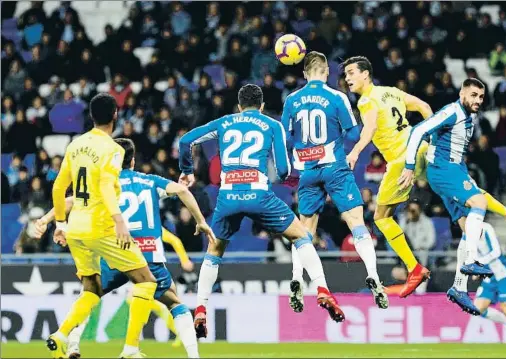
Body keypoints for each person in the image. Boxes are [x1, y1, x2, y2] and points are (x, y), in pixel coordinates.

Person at [179, 84, 345, 338]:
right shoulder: (271, 124)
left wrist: (188, 170)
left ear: (238, 105)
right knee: (301, 236)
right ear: (262, 106)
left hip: (228, 196)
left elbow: (186, 140)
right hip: (258, 194)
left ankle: (201, 307)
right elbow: (282, 170)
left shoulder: (225, 122)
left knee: (214, 251)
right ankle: (322, 288)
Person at [37, 138, 214, 358]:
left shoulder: (104, 184)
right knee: (174, 302)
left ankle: (72, 343)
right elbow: (182, 191)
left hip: (116, 252)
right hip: (149, 255)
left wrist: (46, 219)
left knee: (89, 294)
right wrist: (200, 221)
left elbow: (71, 201)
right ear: (132, 161)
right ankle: (191, 355)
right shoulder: (150, 181)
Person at [400, 79, 506, 312]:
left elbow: (480, 193)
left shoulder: (468, 120)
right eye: (473, 95)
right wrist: (410, 166)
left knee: (468, 226)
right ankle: (471, 261)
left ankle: (459, 287)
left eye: (481, 97)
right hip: (443, 170)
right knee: (478, 206)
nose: (477, 101)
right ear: (462, 93)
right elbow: (419, 130)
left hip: (455, 171)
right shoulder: (452, 112)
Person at [47, 93, 155, 359]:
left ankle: (61, 334)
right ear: (115, 115)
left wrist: (60, 223)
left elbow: (59, 186)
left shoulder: (75, 145)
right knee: (146, 281)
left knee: (92, 288)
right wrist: (119, 221)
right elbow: (106, 185)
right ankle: (130, 349)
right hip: (101, 226)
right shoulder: (113, 149)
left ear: (92, 116)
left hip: (76, 228)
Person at [280, 51, 387, 312]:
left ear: (305, 73)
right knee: (356, 222)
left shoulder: (291, 100)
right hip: (335, 167)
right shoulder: (337, 97)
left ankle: (296, 278)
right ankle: (372, 273)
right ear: (327, 72)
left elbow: (285, 138)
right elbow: (352, 135)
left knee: (304, 230)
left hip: (307, 171)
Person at [342, 55, 434, 298]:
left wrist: (354, 151)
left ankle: (414, 268)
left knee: (381, 218)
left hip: (401, 160)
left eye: (351, 72)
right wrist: (432, 141)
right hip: (420, 147)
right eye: (345, 74)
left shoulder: (366, 101)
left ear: (365, 74)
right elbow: (424, 107)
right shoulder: (391, 92)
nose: (347, 78)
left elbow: (369, 129)